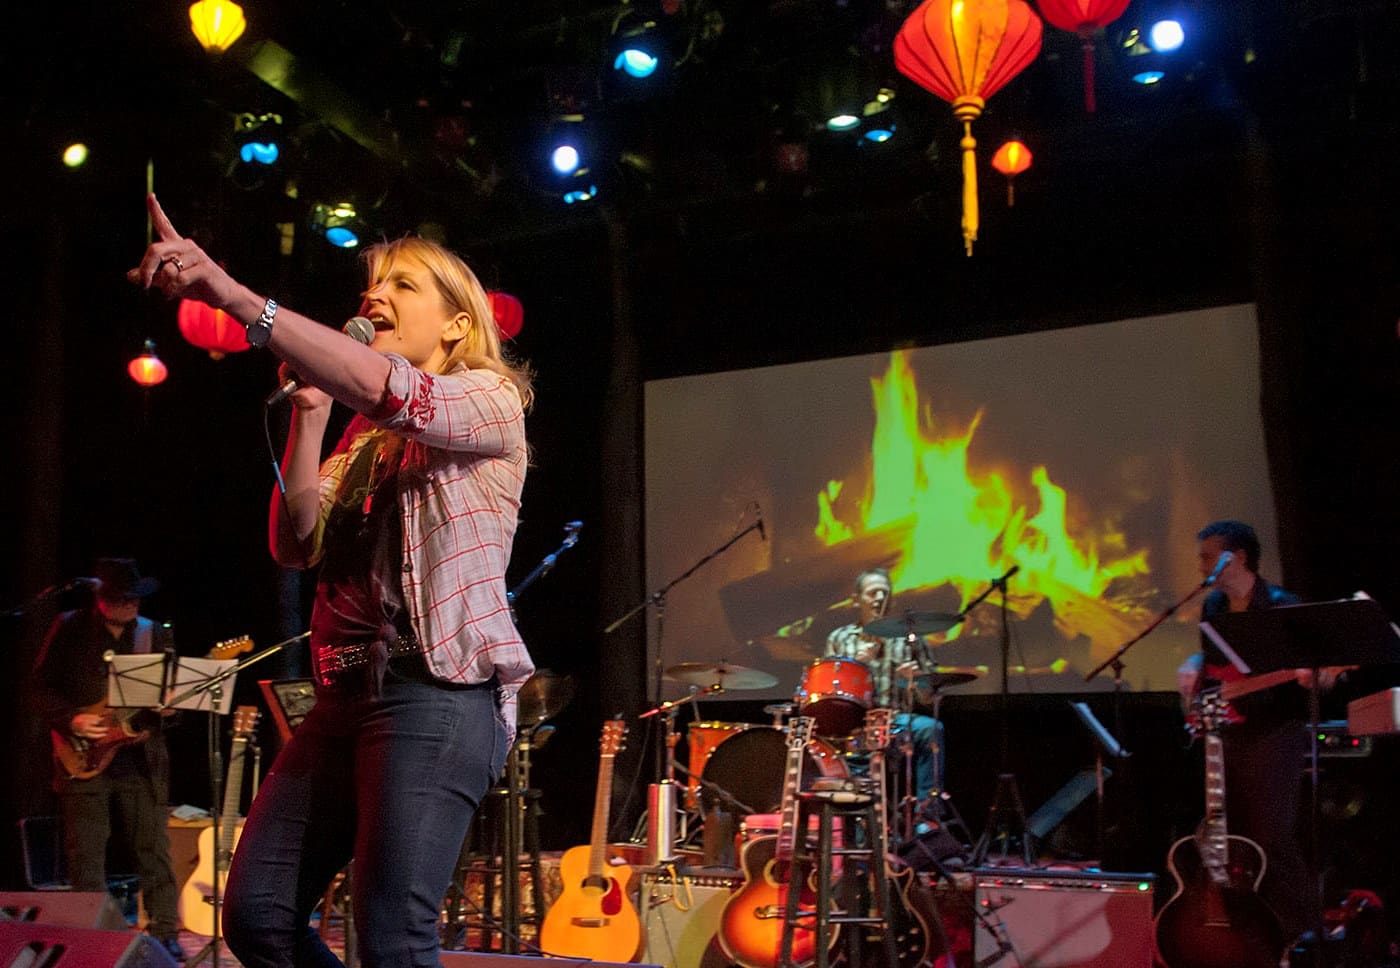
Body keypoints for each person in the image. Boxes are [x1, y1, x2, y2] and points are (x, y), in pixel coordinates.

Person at [128, 193, 535, 967]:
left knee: (391, 938)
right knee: (256, 916)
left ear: (457, 323)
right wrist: (312, 416)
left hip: (435, 692)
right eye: (369, 289)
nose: (374, 297)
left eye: (402, 285)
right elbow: (295, 544)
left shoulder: (489, 400)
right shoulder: (361, 433)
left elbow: (391, 387)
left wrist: (235, 297)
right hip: (345, 698)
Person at [1176, 519, 1327, 950]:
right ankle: (1250, 932)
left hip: (1274, 731)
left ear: (1237, 557)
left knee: (1270, 837)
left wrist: (1316, 676)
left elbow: (1312, 671)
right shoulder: (1215, 608)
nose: (1202, 566)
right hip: (1230, 729)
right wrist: (1193, 666)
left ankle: (1302, 935)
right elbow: (1217, 665)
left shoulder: (1281, 605)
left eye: (1208, 556)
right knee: (1232, 835)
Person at [29, 557, 186, 963]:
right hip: (81, 756)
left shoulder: (155, 635)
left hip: (141, 761)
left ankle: (165, 935)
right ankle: (91, 941)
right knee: (86, 856)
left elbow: (175, 700)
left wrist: (172, 710)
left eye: (136, 596)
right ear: (100, 598)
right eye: (122, 597)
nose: (131, 603)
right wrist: (72, 720)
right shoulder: (68, 627)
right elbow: (40, 688)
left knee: (155, 851)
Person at [825, 567, 945, 811]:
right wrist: (858, 666)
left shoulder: (910, 640)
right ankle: (856, 826)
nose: (879, 598)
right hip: (854, 725)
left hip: (896, 722)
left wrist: (917, 680)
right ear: (857, 599)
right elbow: (828, 692)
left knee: (932, 729)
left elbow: (930, 699)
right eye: (872, 593)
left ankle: (926, 817)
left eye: (884, 592)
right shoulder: (840, 638)